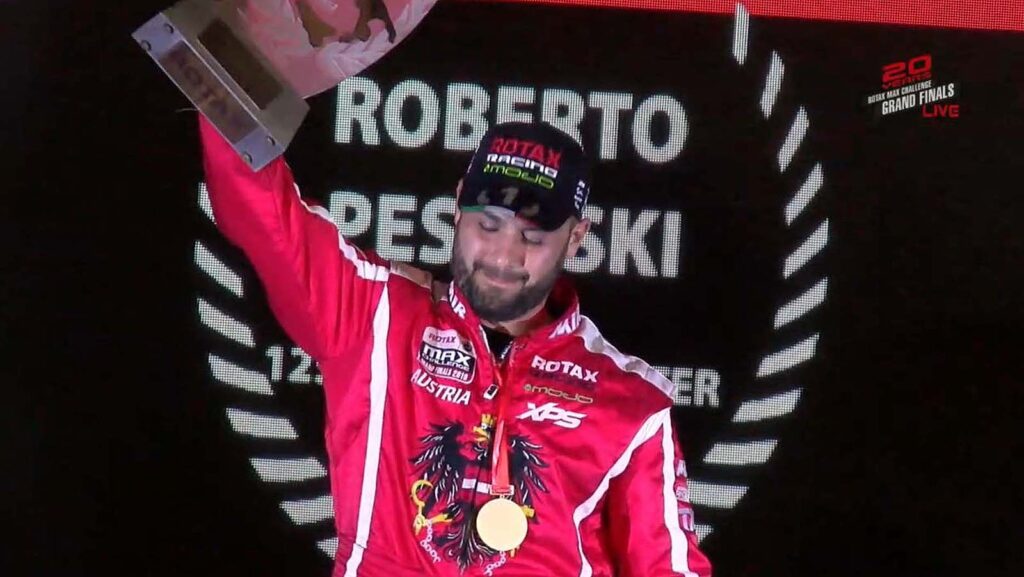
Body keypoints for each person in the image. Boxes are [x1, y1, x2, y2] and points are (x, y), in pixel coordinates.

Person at [200, 114, 712, 577]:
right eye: (489, 225)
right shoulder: (376, 314)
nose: (503, 256)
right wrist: (229, 78)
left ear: (576, 238)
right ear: (459, 202)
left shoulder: (632, 401)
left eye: (533, 238)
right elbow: (263, 212)